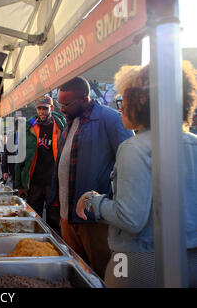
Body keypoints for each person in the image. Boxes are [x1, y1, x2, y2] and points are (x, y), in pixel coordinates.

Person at [76, 61, 197, 288]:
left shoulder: (135, 147)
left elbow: (130, 218)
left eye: (124, 101)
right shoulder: (193, 144)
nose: (119, 107)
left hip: (139, 261)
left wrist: (93, 203)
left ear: (141, 104)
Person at [46, 76, 134, 279]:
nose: (61, 108)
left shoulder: (112, 119)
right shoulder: (70, 120)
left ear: (84, 99)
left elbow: (131, 166)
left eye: (66, 103)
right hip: (68, 217)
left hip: (95, 221)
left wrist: (112, 205)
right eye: (59, 103)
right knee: (76, 273)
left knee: (101, 273)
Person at [14, 95, 66, 234]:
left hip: (53, 182)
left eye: (45, 108)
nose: (42, 112)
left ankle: (55, 249)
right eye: (39, 109)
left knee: (54, 220)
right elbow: (20, 158)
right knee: (32, 218)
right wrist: (19, 184)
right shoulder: (29, 128)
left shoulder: (62, 127)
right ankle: (33, 246)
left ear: (52, 108)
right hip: (34, 182)